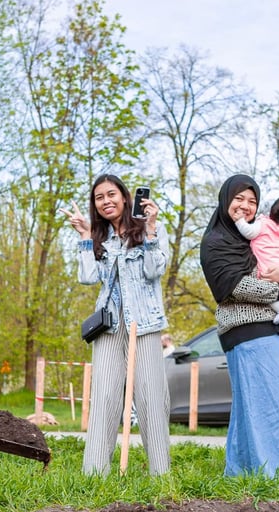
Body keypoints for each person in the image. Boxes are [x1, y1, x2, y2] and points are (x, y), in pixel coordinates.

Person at [62, 174, 171, 476]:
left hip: (144, 324)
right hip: (109, 327)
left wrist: (148, 231)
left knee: (151, 397)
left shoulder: (153, 229)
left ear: (125, 197)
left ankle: (161, 474)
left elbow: (154, 271)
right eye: (99, 198)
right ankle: (95, 474)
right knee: (105, 397)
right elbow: (86, 277)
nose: (106, 201)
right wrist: (85, 237)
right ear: (95, 206)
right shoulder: (99, 239)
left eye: (111, 194)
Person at [199, 174, 279, 487]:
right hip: (248, 331)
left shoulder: (261, 230)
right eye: (239, 199)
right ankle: (278, 482)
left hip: (275, 329)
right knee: (270, 412)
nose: (245, 206)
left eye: (252, 201)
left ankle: (241, 477)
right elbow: (234, 286)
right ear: (225, 199)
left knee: (254, 412)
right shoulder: (217, 242)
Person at [232, 193, 279, 324]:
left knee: (267, 285)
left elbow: (248, 232)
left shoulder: (262, 224)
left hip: (267, 267)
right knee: (278, 287)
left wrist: (239, 221)